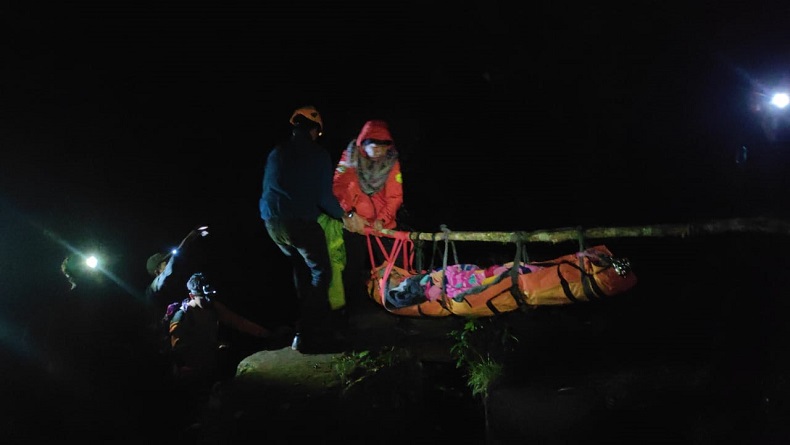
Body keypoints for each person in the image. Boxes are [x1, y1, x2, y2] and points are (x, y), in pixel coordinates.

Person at [258, 104, 365, 353]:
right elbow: (324, 199)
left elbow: (271, 188)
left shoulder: (278, 151)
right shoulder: (318, 155)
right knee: (322, 273)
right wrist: (346, 215)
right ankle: (307, 335)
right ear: (315, 130)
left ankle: (309, 329)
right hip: (299, 223)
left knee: (301, 270)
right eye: (318, 132)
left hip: (272, 224)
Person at [332, 119, 410, 326]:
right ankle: (354, 314)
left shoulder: (392, 162)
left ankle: (402, 312)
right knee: (353, 268)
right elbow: (338, 187)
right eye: (373, 146)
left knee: (396, 267)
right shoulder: (349, 158)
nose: (377, 151)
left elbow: (396, 196)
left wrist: (381, 220)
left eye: (382, 147)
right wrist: (349, 213)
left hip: (383, 225)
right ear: (362, 143)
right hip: (356, 225)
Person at [146, 225, 210, 315]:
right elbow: (170, 267)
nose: (169, 262)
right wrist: (189, 238)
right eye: (166, 262)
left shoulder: (175, 283)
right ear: (157, 271)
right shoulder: (153, 288)